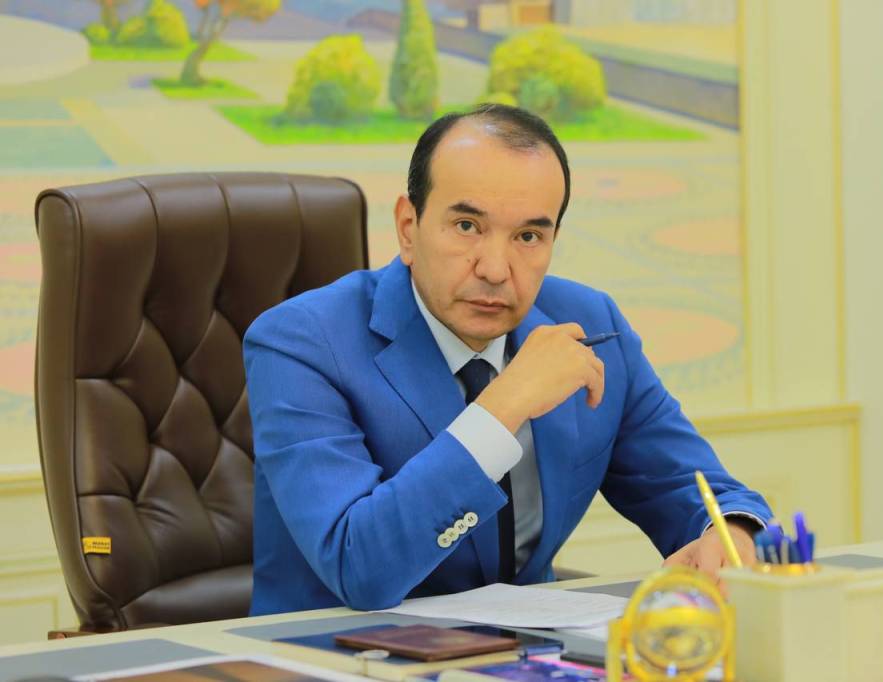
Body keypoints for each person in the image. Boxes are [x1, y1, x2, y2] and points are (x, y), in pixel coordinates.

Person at [243, 104, 771, 616]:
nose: (496, 269)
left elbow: (699, 490)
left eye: (528, 236)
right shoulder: (301, 343)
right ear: (408, 227)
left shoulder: (590, 323)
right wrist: (504, 405)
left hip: (530, 653)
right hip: (334, 653)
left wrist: (731, 533)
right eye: (467, 226)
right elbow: (360, 567)